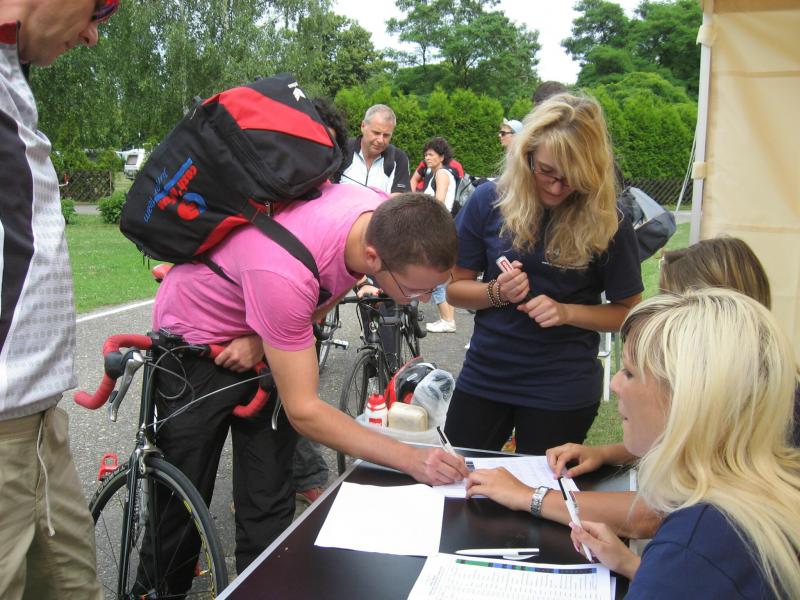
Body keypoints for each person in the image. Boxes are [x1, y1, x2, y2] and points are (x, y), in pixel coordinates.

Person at [150, 190, 469, 592]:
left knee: (269, 495)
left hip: (268, 319)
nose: (420, 302)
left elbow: (325, 288)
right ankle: (160, 588)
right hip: (196, 340)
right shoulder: (286, 273)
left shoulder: (385, 215)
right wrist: (411, 458)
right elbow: (304, 411)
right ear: (373, 258)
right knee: (181, 501)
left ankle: (260, 588)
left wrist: (263, 333)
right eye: (415, 291)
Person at [466, 236, 800, 540]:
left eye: (674, 306)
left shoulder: (769, 405)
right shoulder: (754, 377)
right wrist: (606, 453)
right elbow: (686, 439)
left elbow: (652, 514)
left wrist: (528, 496)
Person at [444, 93, 642, 455]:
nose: (555, 187)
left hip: (562, 386)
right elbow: (455, 289)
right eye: (546, 171)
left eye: (571, 178)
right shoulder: (489, 201)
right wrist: (496, 292)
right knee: (459, 473)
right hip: (487, 374)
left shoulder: (608, 220)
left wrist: (566, 312)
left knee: (541, 486)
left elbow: (628, 312)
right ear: (527, 155)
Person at [0, 1, 120, 598]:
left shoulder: (12, 71)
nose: (94, 35)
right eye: (97, 9)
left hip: (40, 419)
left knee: (74, 587)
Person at [576, 290, 798, 597]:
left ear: (685, 400)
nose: (614, 383)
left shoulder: (691, 551)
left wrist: (663, 574)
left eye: (629, 372)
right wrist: (636, 566)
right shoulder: (761, 498)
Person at [420, 137, 458, 334]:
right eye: (426, 154)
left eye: (431, 154)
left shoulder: (441, 174)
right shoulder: (440, 173)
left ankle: (447, 319)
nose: (427, 158)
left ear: (441, 157)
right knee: (445, 276)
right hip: (445, 228)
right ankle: (448, 319)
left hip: (438, 229)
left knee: (434, 276)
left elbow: (439, 202)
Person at [339, 104, 411, 195]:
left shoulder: (398, 158)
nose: (380, 140)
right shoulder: (342, 149)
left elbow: (399, 197)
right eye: (376, 133)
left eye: (386, 135)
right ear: (363, 126)